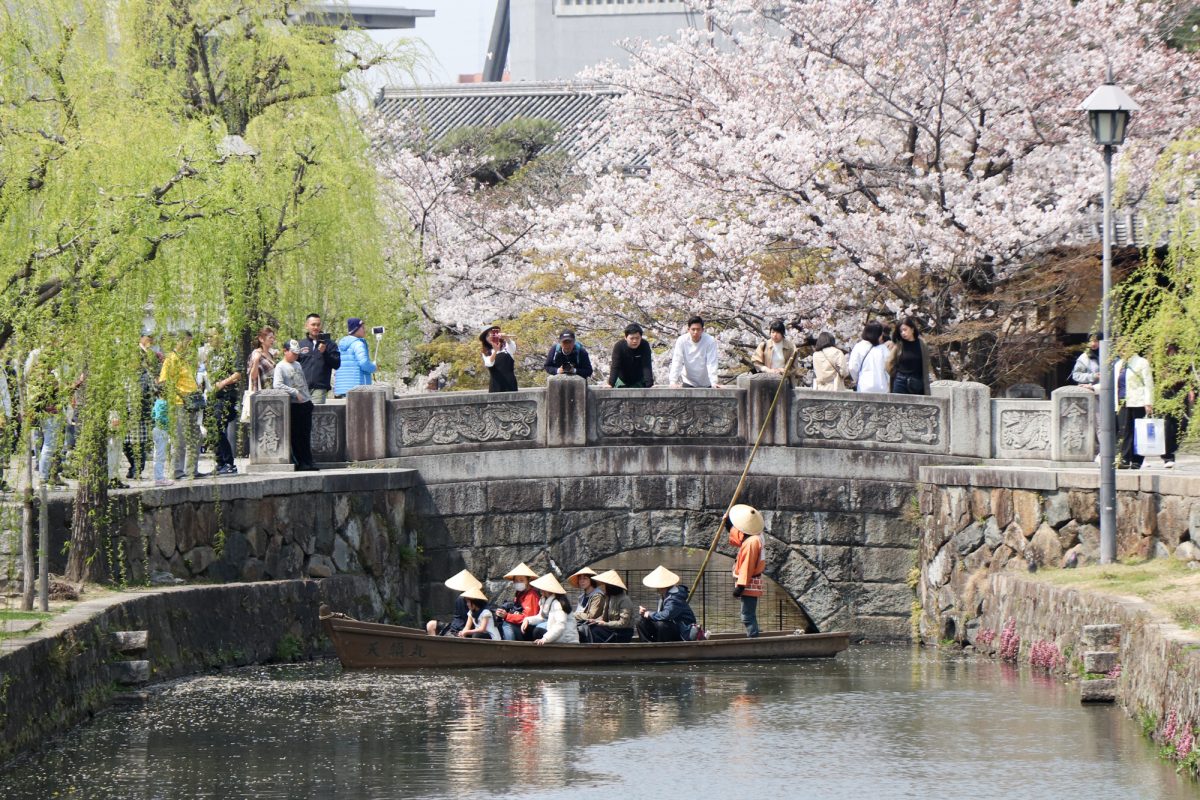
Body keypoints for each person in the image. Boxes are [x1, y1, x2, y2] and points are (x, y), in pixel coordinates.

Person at [159, 332, 207, 480]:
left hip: (191, 403)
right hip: (180, 403)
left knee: (196, 436)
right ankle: (177, 471)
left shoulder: (185, 359)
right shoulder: (171, 359)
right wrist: (182, 395)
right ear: (179, 341)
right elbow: (164, 383)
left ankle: (192, 470)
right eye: (187, 342)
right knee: (180, 438)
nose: (189, 345)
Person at [274, 340, 318, 471]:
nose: (295, 356)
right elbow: (277, 384)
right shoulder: (280, 366)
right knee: (296, 435)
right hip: (294, 404)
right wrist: (294, 392)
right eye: (293, 353)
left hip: (305, 402)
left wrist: (307, 397)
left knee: (306, 434)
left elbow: (302, 382)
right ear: (285, 351)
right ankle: (300, 462)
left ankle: (308, 461)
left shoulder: (298, 364)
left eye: (297, 354)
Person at [202, 328, 241, 477]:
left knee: (218, 426)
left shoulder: (230, 351)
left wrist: (223, 382)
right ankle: (220, 462)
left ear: (220, 335)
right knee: (210, 427)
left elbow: (237, 373)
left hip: (226, 396)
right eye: (208, 336)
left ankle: (229, 463)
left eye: (211, 336)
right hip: (213, 396)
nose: (209, 339)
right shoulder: (211, 354)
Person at [729, 503, 766, 638]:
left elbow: (747, 566)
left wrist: (740, 586)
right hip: (751, 580)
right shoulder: (756, 536)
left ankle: (753, 639)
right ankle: (753, 635)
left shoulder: (752, 543)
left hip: (749, 582)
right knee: (749, 614)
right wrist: (729, 526)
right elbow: (738, 539)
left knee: (747, 616)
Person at [1114, 348, 1154, 469]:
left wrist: (1148, 402)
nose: (1122, 351)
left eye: (1124, 348)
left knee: (1138, 431)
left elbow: (1148, 383)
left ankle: (1137, 460)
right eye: (1120, 348)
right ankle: (1125, 459)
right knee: (1124, 431)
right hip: (1122, 401)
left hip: (1138, 401)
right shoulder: (1118, 364)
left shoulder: (1142, 362)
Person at [636, 565, 697, 643]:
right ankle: (648, 645)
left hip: (683, 632)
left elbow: (666, 615)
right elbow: (661, 615)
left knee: (662, 625)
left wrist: (650, 614)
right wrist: (644, 614)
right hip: (670, 628)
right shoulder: (665, 596)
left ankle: (661, 647)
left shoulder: (675, 598)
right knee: (640, 621)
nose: (657, 589)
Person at [1161, 343, 1193, 470]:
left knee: (1183, 424)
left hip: (1182, 393)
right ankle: (1168, 456)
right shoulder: (1162, 361)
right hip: (1168, 394)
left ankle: (1172, 449)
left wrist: (1190, 390)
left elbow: (1189, 376)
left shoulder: (1183, 361)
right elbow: (1162, 377)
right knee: (1169, 425)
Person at [425, 569, 484, 637]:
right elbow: (458, 618)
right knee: (431, 624)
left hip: (466, 630)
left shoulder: (477, 599)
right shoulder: (460, 599)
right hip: (454, 627)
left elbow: (477, 618)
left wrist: (464, 632)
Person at [298, 313, 341, 405]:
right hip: (302, 388)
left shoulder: (330, 344)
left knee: (315, 415)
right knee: (301, 416)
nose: (316, 327)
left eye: (318, 324)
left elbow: (337, 364)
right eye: (313, 324)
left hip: (319, 388)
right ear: (306, 326)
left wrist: (325, 352)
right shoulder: (300, 344)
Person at [668, 315, 720, 388]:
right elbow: (677, 360)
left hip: (706, 381)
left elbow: (711, 362)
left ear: (702, 330)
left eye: (698, 329)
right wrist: (673, 381)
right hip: (688, 380)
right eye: (693, 329)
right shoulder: (682, 340)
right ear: (688, 329)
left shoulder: (710, 340)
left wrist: (714, 382)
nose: (695, 332)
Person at [527, 574, 580, 645]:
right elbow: (541, 617)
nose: (540, 589)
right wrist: (527, 620)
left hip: (565, 638)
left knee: (537, 631)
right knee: (528, 627)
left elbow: (560, 625)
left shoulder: (557, 603)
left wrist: (545, 639)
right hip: (555, 634)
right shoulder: (545, 600)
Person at [494, 562, 541, 641]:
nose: (518, 583)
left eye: (521, 580)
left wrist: (507, 616)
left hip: (528, 630)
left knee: (507, 624)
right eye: (516, 580)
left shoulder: (531, 595)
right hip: (521, 627)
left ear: (528, 580)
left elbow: (528, 618)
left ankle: (509, 648)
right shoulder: (520, 593)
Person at [587, 569, 636, 644]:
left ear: (610, 586)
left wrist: (605, 624)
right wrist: (596, 621)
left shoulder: (624, 600)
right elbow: (604, 618)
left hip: (622, 633)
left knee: (595, 631)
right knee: (589, 627)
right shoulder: (609, 597)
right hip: (612, 629)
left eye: (603, 585)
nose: (601, 587)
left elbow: (623, 623)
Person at [887, 317, 933, 395]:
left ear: (912, 329)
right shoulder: (898, 346)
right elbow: (889, 363)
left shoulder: (922, 345)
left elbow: (926, 364)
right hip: (900, 381)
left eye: (905, 330)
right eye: (901, 331)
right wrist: (896, 374)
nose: (903, 333)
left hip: (917, 382)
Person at [334, 318, 377, 398]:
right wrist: (374, 367)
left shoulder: (341, 345)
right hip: (358, 388)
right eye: (362, 328)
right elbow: (364, 363)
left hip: (342, 388)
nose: (365, 330)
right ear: (356, 329)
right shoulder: (358, 344)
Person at [847, 321, 891, 394]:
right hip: (882, 388)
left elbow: (852, 367)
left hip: (864, 387)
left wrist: (858, 378)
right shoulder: (883, 349)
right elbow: (889, 368)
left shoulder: (859, 347)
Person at [608, 323, 654, 388]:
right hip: (622, 379)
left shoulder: (644, 345)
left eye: (637, 338)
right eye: (632, 338)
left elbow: (646, 365)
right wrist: (610, 384)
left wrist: (650, 385)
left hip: (639, 379)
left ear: (641, 337)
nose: (635, 341)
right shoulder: (619, 346)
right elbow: (615, 366)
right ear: (626, 337)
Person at [480, 324, 518, 393]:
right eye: (487, 336)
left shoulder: (506, 346)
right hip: (495, 385)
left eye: (492, 334)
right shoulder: (486, 352)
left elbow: (513, 349)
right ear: (485, 339)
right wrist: (495, 351)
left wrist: (506, 338)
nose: (490, 337)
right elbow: (489, 363)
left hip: (510, 383)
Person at [150, 385, 172, 486]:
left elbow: (153, 415)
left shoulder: (157, 402)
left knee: (157, 454)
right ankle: (159, 478)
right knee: (160, 455)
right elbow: (159, 417)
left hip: (156, 429)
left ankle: (159, 477)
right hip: (162, 430)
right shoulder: (164, 403)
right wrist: (169, 422)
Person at [246, 327, 277, 393]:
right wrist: (256, 360)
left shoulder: (270, 354)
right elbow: (253, 376)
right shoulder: (256, 353)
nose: (272, 340)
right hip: (260, 394)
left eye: (273, 338)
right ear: (261, 339)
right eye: (270, 337)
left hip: (271, 392)